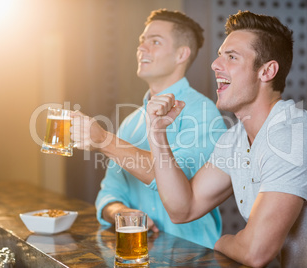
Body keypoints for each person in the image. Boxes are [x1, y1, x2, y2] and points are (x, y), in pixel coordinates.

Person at [146, 10, 307, 267]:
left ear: (267, 71)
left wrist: (220, 243)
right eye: (219, 56)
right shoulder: (235, 139)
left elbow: (256, 252)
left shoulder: (292, 135)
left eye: (231, 57)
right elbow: (183, 208)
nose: (215, 65)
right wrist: (156, 133)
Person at [71, 9, 226, 248]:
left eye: (155, 42)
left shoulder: (204, 113)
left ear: (181, 55)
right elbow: (109, 193)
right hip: (141, 255)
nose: (142, 48)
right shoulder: (131, 122)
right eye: (142, 41)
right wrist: (119, 212)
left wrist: (103, 139)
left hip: (196, 258)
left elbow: (176, 182)